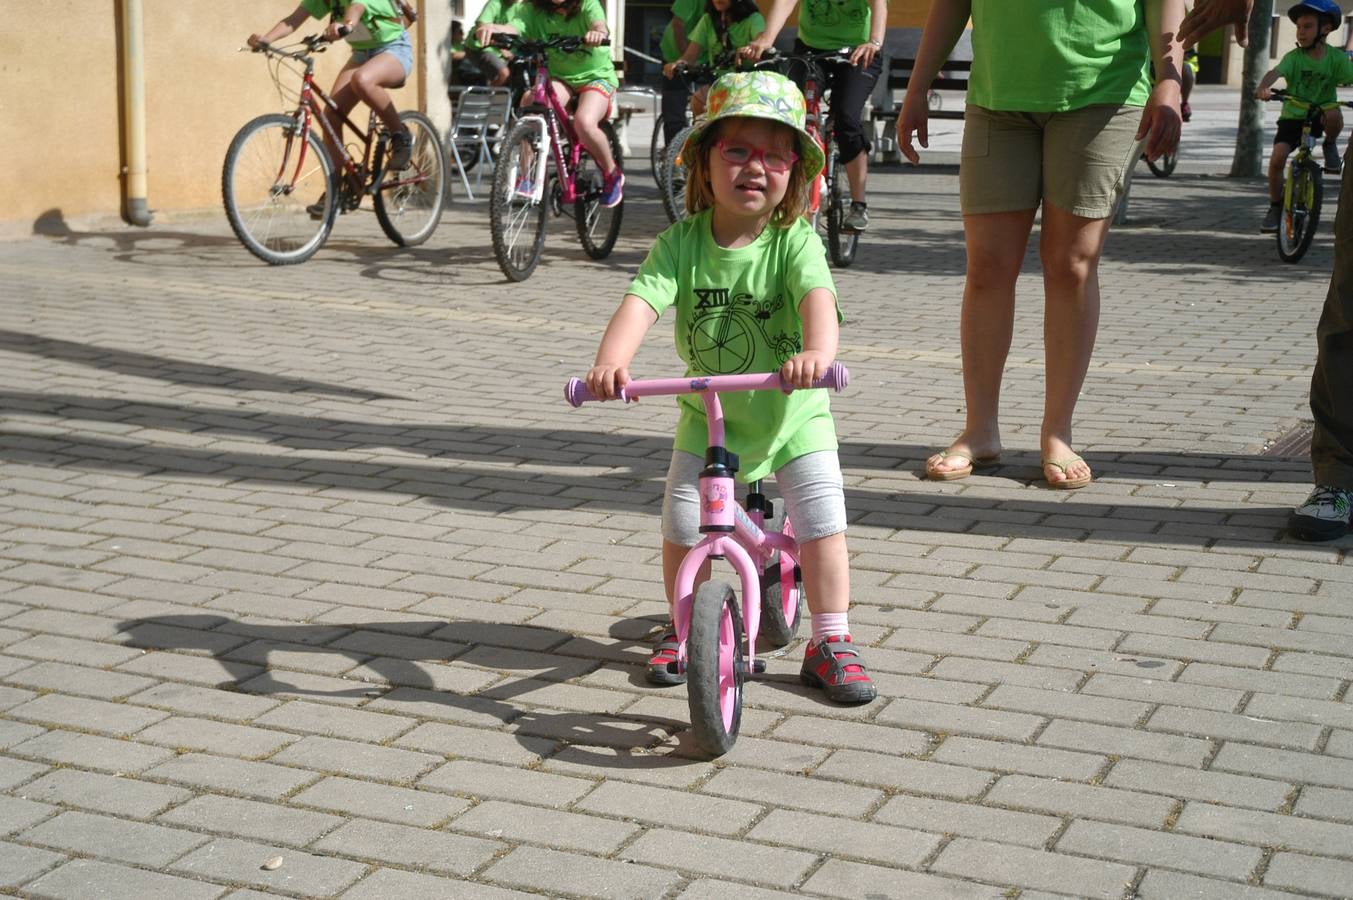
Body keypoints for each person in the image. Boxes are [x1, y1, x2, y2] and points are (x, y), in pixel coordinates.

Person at [584, 71, 877, 704]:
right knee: (684, 521)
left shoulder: (793, 241)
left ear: (794, 174)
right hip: (707, 416)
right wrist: (611, 364)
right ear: (704, 164)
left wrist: (817, 354)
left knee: (822, 518)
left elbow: (818, 301)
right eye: (738, 150)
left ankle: (831, 638)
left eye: (775, 155)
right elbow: (640, 302)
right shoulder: (680, 245)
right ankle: (685, 624)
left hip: (794, 414)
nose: (756, 167)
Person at [899, 1, 1183, 489]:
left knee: (1071, 264)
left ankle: (1057, 432)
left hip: (1103, 92)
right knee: (987, 267)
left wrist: (1170, 78)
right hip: (997, 96)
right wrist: (917, 86)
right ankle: (980, 430)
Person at [741, 0, 888, 233]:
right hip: (810, 49)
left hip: (858, 52)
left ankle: (858, 205)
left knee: (846, 118)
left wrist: (874, 42)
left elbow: (879, 4)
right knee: (794, 115)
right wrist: (766, 39)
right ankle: (786, 193)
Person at [476, 0, 624, 208]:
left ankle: (612, 173)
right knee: (530, 103)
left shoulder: (587, 4)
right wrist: (493, 28)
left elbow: (599, 25)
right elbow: (515, 27)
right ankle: (527, 177)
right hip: (561, 78)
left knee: (584, 122)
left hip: (595, 77)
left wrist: (598, 32)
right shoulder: (533, 9)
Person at [248, 1, 415, 173]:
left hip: (394, 49)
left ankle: (401, 135)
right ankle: (337, 188)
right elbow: (293, 20)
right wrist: (265, 40)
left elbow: (356, 8)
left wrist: (345, 25)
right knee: (331, 117)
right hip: (361, 55)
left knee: (362, 80)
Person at [1256, 1, 1353, 234]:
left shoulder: (1336, 59)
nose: (1301, 32)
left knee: (1333, 113)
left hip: (1320, 114)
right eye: (1299, 27)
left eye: (1307, 26)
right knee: (1278, 158)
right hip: (1293, 115)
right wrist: (1263, 87)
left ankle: (1330, 145)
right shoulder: (1294, 57)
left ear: (1326, 29)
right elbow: (1275, 72)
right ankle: (1276, 206)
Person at [663, 0, 766, 117]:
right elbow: (690, 56)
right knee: (698, 101)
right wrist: (676, 64)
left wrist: (750, 50)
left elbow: (760, 42)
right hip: (719, 83)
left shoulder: (754, 19)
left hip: (749, 84)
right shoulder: (708, 20)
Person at [660, 0, 708, 143]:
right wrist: (686, 58)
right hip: (676, 54)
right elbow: (678, 24)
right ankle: (673, 154)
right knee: (674, 112)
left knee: (707, 105)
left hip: (707, 57)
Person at [465, 0, 518, 87]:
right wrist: (502, 49)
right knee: (504, 73)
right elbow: (482, 27)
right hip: (480, 46)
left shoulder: (519, 7)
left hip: (501, 48)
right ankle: (488, 96)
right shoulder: (495, 3)